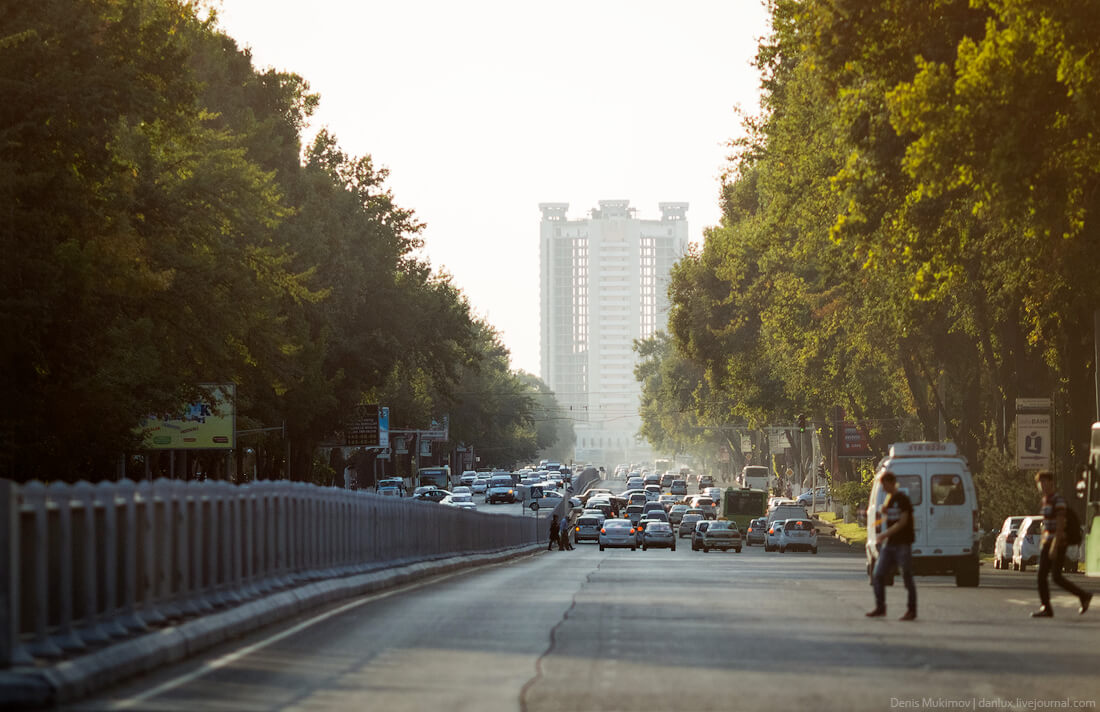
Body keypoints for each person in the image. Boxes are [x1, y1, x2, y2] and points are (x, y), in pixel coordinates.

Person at [1031, 470, 1092, 617]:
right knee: (1055, 577)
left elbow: (1059, 525)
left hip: (1057, 543)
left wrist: (1054, 546)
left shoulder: (1058, 501)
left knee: (1043, 576)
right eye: (1040, 483)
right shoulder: (1046, 500)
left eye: (1045, 482)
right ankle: (1083, 596)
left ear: (1051, 483)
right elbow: (1047, 525)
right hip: (1049, 542)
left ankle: (1047, 608)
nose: (1042, 486)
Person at [867, 471, 917, 621]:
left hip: (902, 543)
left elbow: (902, 522)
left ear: (891, 483)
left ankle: (911, 609)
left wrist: (884, 534)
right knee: (878, 575)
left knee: (907, 576)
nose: (883, 488)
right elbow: (889, 517)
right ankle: (880, 607)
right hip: (890, 544)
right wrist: (883, 512)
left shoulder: (903, 499)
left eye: (884, 485)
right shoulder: (890, 499)